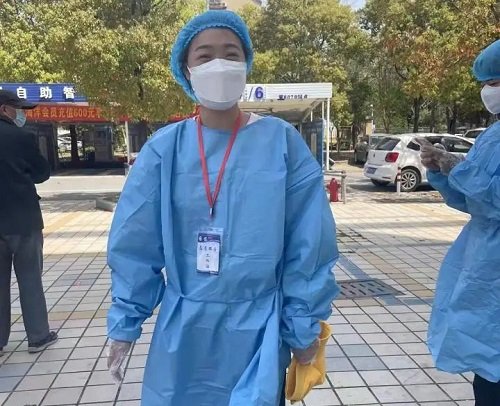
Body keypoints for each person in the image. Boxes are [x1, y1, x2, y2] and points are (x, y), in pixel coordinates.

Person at [106, 10, 339, 406]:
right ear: (186, 68)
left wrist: (302, 326)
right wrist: (125, 324)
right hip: (184, 330)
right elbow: (135, 244)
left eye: (231, 54)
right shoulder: (165, 149)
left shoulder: (282, 143)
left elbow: (310, 244)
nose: (219, 64)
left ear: (246, 63)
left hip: (258, 329)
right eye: (205, 55)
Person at [419, 39, 500, 406]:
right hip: (483, 261)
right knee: (487, 373)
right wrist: (441, 170)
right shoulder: (491, 136)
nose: (488, 92)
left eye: (495, 83)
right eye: (485, 84)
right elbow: (472, 201)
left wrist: (459, 169)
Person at [0, 89, 57, 357]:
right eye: (18, 108)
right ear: (4, 109)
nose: (21, 113)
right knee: (30, 279)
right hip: (24, 220)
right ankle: (38, 336)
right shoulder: (21, 137)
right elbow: (41, 172)